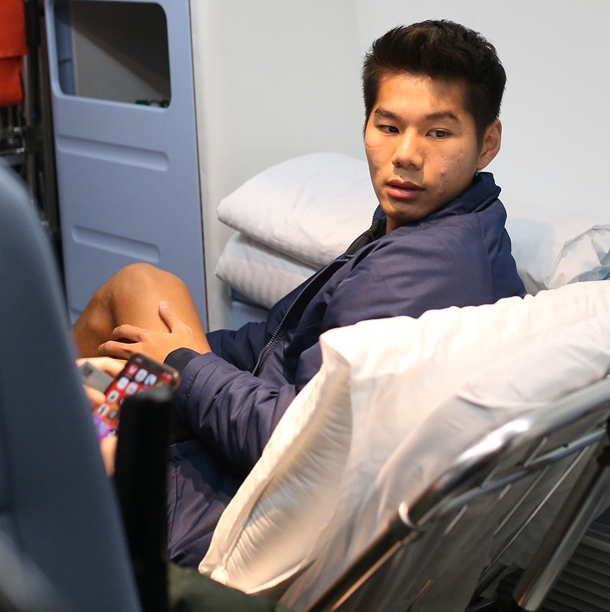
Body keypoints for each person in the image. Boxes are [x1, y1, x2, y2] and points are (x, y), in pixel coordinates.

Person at [74, 19, 527, 567]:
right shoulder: (442, 224)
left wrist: (182, 362)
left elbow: (298, 445)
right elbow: (275, 340)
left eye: (438, 133)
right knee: (143, 288)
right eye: (388, 126)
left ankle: (46, 434)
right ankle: (58, 412)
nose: (406, 154)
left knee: (74, 404)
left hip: (235, 503)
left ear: (487, 142)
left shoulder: (421, 268)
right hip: (244, 442)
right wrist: (172, 352)